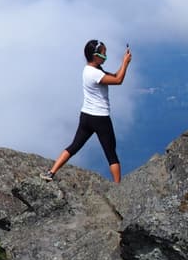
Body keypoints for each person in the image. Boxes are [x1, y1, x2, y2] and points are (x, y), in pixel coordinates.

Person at [40, 40, 132, 183]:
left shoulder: (88, 70)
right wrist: (125, 63)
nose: (105, 56)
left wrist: (124, 63)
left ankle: (51, 172)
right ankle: (118, 188)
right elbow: (118, 80)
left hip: (86, 117)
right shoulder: (96, 74)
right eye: (103, 54)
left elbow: (113, 76)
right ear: (95, 56)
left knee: (74, 146)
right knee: (111, 154)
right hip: (100, 118)